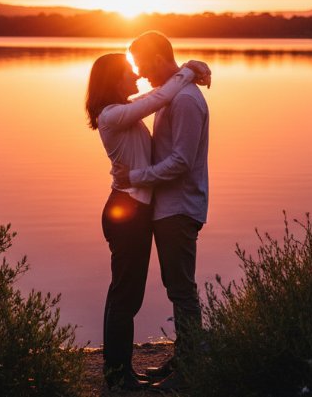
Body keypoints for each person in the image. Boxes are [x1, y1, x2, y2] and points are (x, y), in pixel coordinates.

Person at [86, 52, 211, 392]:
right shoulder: (112, 115)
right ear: (112, 80)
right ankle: (117, 375)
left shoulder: (124, 111)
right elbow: (158, 98)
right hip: (124, 211)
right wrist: (188, 71)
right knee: (124, 296)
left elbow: (154, 98)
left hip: (136, 212)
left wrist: (187, 72)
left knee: (129, 296)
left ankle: (122, 369)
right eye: (129, 72)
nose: (137, 77)